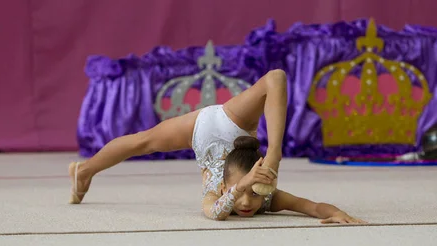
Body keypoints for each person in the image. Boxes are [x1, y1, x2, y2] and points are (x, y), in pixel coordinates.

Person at [68, 69, 365, 224]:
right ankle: (88, 169)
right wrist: (272, 153)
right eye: (248, 192)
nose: (248, 202)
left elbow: (310, 207)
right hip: (228, 124)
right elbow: (277, 77)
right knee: (142, 141)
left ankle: (83, 170)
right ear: (225, 187)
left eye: (252, 193)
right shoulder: (263, 196)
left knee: (143, 141)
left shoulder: (228, 196)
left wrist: (337, 212)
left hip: (200, 134)